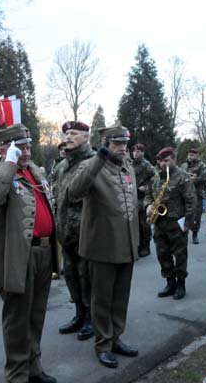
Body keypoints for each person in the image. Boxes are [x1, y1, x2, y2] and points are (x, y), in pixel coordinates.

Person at [0, 123, 58, 383]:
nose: (26, 152)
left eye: (27, 146)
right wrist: (9, 164)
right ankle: (17, 375)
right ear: (5, 149)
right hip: (18, 257)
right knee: (17, 320)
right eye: (20, 148)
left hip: (44, 253)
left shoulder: (35, 173)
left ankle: (34, 368)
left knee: (37, 314)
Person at [68, 122, 140, 369]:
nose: (122, 148)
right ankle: (103, 344)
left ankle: (116, 338)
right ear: (106, 144)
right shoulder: (92, 166)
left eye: (125, 143)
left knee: (120, 298)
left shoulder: (127, 166)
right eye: (117, 143)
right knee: (102, 300)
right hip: (102, 246)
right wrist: (98, 158)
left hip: (126, 245)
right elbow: (73, 192)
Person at [52, 121, 95, 341]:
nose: (68, 137)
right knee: (71, 275)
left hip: (86, 234)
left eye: (74, 134)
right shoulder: (61, 167)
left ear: (86, 137)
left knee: (87, 277)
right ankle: (79, 314)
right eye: (66, 134)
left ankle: (91, 318)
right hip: (66, 233)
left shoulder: (93, 163)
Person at [146, 147, 195, 300]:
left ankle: (181, 284)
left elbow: (191, 201)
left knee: (180, 255)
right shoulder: (156, 177)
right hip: (160, 223)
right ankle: (170, 282)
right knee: (163, 254)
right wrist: (147, 205)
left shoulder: (183, 177)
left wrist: (187, 224)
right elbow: (148, 194)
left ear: (174, 160)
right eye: (160, 161)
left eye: (166, 160)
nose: (163, 164)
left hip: (176, 223)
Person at [131, 143, 155, 256]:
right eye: (134, 151)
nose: (136, 153)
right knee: (135, 224)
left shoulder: (147, 165)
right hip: (132, 197)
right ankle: (138, 245)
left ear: (143, 153)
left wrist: (146, 187)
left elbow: (155, 178)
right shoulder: (129, 164)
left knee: (144, 224)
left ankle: (146, 246)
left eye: (138, 151)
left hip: (143, 198)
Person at [181, 148, 206, 244]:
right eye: (189, 154)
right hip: (184, 194)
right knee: (183, 214)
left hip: (197, 194)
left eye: (192, 154)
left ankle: (195, 234)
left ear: (197, 155)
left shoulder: (202, 165)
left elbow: (205, 177)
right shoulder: (184, 165)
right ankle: (183, 233)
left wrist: (194, 179)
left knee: (196, 216)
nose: (190, 156)